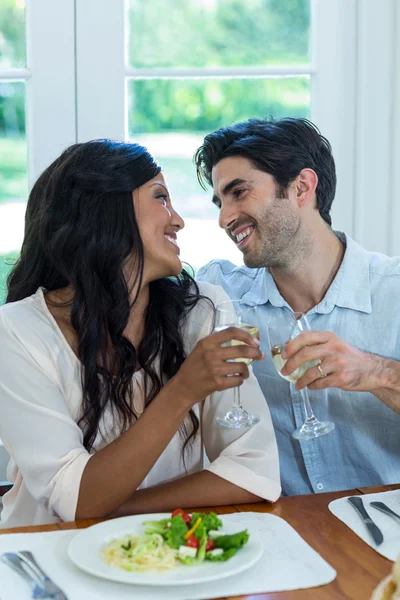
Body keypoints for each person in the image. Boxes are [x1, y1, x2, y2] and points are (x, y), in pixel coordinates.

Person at [0, 140, 281, 527]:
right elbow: (75, 498)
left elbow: (255, 470)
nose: (178, 220)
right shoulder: (15, 332)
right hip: (43, 565)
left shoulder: (202, 312)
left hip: (156, 555)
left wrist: (117, 509)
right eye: (161, 197)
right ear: (105, 211)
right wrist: (183, 390)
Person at [195, 117, 400, 496]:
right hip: (281, 534)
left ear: (302, 187)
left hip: (389, 536)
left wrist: (375, 372)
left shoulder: (394, 291)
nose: (224, 218)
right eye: (219, 202)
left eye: (238, 192)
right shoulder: (221, 294)